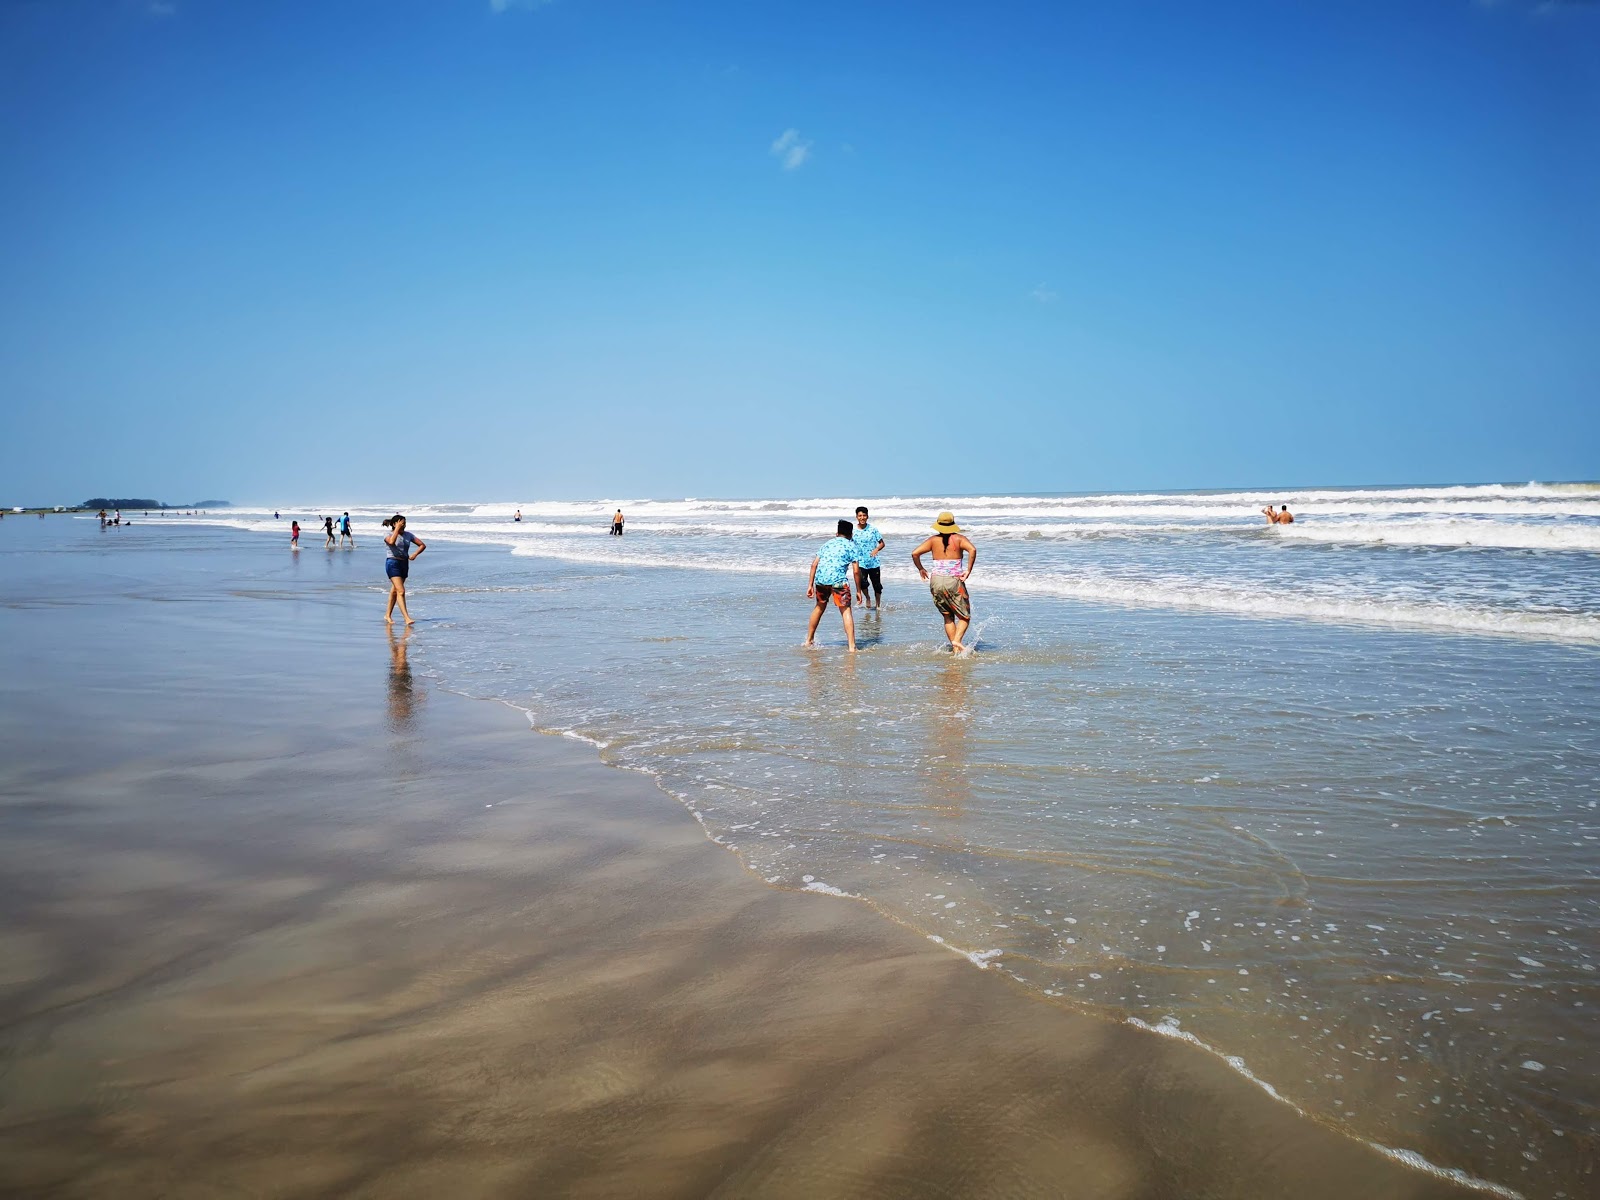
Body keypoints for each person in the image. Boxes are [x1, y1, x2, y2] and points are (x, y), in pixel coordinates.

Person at [911, 512, 978, 653]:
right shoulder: (959, 539)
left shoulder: (932, 540)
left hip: (936, 581)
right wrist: (968, 570)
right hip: (953, 581)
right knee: (965, 616)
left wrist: (921, 569)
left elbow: (915, 553)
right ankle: (957, 641)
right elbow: (973, 549)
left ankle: (955, 649)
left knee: (948, 616)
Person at [805, 519, 860, 651]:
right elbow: (856, 571)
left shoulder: (827, 544)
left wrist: (810, 585)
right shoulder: (851, 546)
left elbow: (814, 564)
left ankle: (809, 640)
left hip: (821, 580)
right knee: (846, 610)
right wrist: (859, 590)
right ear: (851, 534)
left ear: (837, 533)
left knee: (819, 607)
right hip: (838, 582)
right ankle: (852, 647)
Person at [382, 514, 425, 625]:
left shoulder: (408, 535)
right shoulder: (388, 533)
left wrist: (415, 554)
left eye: (404, 523)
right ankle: (407, 618)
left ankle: (387, 615)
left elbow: (422, 545)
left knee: (395, 591)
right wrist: (396, 528)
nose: (403, 525)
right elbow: (391, 542)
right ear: (394, 524)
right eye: (401, 522)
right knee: (401, 591)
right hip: (392, 563)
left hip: (404, 563)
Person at [852, 506, 886, 610]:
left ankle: (878, 605)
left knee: (877, 585)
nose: (862, 518)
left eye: (864, 515)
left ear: (867, 516)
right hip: (860, 562)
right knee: (863, 583)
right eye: (860, 516)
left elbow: (882, 543)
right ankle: (867, 597)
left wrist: (876, 549)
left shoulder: (873, 529)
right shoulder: (853, 531)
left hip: (873, 562)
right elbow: (849, 544)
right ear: (857, 517)